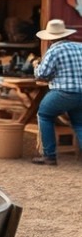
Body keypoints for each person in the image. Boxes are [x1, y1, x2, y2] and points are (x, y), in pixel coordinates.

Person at [31, 19, 82, 166]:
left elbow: (42, 74)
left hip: (63, 92)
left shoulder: (54, 50)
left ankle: (49, 156)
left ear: (50, 38)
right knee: (79, 123)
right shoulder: (79, 47)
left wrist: (36, 65)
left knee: (44, 115)